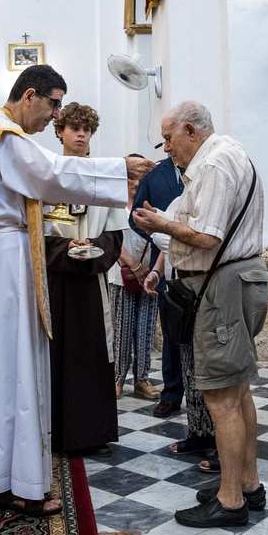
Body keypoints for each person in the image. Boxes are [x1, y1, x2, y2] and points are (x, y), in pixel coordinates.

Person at [0, 65, 152, 515]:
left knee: (1, 367)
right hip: (9, 262)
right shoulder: (6, 136)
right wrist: (118, 168)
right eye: (53, 104)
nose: (55, 115)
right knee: (16, 366)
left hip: (5, 255)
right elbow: (49, 176)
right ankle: (15, 482)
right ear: (30, 96)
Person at [134, 102, 268, 528]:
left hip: (221, 285)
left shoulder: (213, 164)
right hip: (232, 279)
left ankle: (230, 502)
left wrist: (160, 225)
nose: (167, 149)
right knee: (237, 389)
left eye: (169, 139)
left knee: (221, 396)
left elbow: (207, 236)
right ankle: (247, 483)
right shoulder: (229, 153)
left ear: (190, 130)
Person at [46, 104, 128, 456]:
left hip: (91, 282)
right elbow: (35, 230)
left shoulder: (104, 177)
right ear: (60, 131)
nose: (82, 135)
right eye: (74, 128)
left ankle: (90, 433)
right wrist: (66, 246)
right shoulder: (46, 175)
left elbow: (116, 233)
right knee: (52, 354)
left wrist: (94, 246)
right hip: (54, 280)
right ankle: (51, 431)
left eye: (88, 130)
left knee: (91, 354)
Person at [132, 153, 188, 419]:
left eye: (170, 137)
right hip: (166, 260)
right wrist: (156, 232)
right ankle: (172, 394)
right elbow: (135, 216)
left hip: (204, 266)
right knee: (172, 333)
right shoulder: (155, 174)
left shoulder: (205, 168)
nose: (166, 144)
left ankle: (206, 395)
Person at [111, 155, 160, 401]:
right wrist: (134, 264)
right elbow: (110, 239)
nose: (135, 182)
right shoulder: (115, 204)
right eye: (131, 176)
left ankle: (141, 378)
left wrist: (148, 270)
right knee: (122, 329)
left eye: (140, 177)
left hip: (150, 275)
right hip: (123, 275)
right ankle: (118, 378)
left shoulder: (151, 203)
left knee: (146, 328)